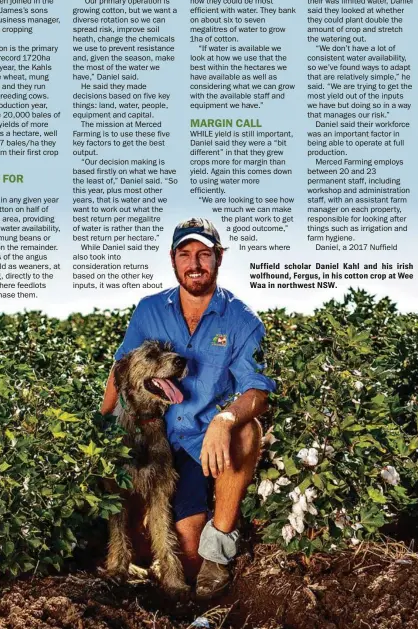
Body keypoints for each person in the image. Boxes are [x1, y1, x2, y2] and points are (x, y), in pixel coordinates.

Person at [100, 218, 276, 600]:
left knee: (247, 430)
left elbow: (259, 391)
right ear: (173, 260)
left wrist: (224, 418)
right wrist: (100, 429)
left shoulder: (242, 320)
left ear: (218, 258)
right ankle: (142, 554)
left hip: (201, 439)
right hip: (157, 434)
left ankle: (221, 547)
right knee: (165, 539)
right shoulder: (149, 310)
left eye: (203, 254)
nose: (194, 263)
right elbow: (122, 369)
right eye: (185, 254)